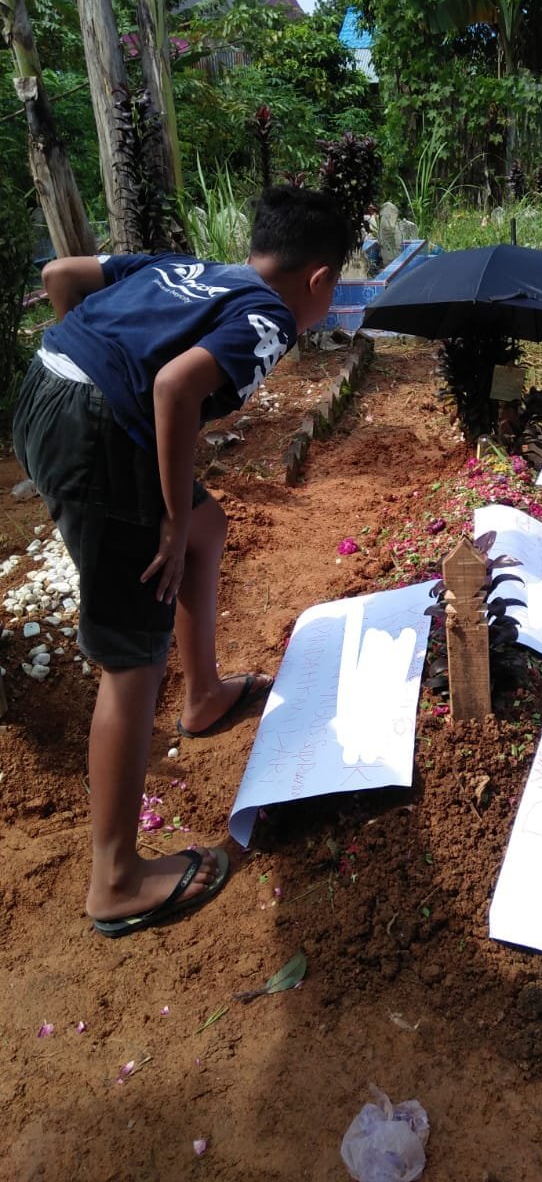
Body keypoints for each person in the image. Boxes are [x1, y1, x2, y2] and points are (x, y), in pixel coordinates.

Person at [13, 185, 351, 937]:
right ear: (320, 279)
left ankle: (202, 697)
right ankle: (116, 878)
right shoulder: (269, 316)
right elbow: (173, 387)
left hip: (41, 393)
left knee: (206, 525)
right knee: (133, 654)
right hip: (96, 432)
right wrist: (159, 508)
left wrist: (99, 370)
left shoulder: (184, 268)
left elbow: (61, 277)